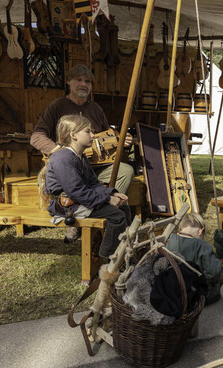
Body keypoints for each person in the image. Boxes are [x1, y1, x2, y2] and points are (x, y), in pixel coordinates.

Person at [31, 65, 134, 242]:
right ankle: (78, 218)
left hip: (94, 166)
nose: (83, 84)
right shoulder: (57, 106)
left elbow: (107, 135)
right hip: (69, 168)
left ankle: (105, 215)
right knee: (75, 187)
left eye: (87, 81)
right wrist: (57, 150)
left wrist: (120, 140)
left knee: (126, 171)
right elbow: (36, 136)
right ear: (69, 82)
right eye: (78, 80)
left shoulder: (95, 109)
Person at [40, 114, 131, 261]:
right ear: (73, 135)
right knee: (117, 216)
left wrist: (113, 194)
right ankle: (108, 258)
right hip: (67, 206)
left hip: (79, 200)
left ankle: (126, 249)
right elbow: (75, 191)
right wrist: (107, 199)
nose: (93, 135)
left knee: (123, 207)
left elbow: (93, 184)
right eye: (88, 131)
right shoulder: (63, 157)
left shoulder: (79, 156)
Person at [165, 213, 223, 304]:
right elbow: (214, 275)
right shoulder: (203, 246)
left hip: (175, 289)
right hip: (199, 294)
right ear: (200, 231)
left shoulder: (169, 241)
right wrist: (220, 248)